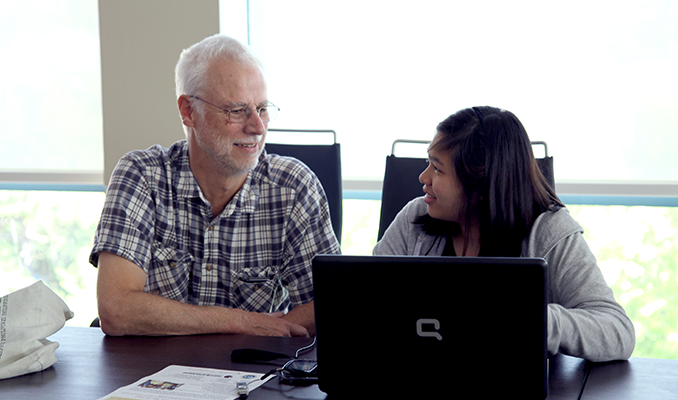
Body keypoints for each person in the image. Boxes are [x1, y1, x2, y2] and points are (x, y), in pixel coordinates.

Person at [89, 34, 340, 338]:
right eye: (237, 111)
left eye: (262, 108)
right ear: (188, 111)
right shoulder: (141, 175)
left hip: (254, 371)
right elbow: (116, 310)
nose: (257, 127)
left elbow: (325, 304)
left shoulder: (294, 186)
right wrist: (241, 322)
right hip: (149, 375)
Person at [373, 106, 635, 362]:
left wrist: (538, 320)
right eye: (428, 163)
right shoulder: (415, 218)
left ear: (480, 186)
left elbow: (617, 331)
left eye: (438, 169)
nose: (423, 177)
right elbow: (366, 303)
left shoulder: (548, 231)